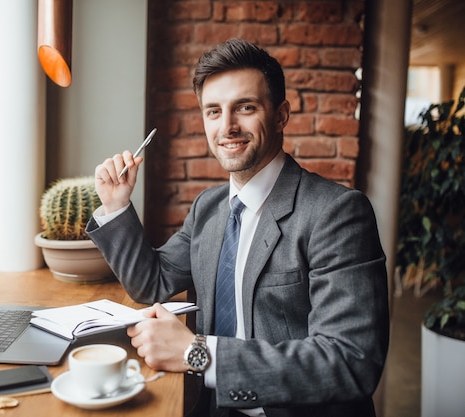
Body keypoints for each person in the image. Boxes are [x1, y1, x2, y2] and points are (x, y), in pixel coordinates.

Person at [87, 38, 389, 417]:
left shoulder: (338, 214)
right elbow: (153, 283)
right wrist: (116, 206)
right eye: (213, 111)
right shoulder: (208, 208)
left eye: (245, 108)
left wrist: (198, 353)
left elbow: (350, 361)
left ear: (281, 115)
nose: (227, 126)